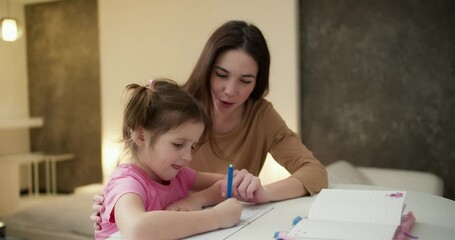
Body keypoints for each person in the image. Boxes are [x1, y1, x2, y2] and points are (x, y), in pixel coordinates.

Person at [91, 20, 328, 228]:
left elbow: (315, 173)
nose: (230, 91)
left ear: (257, 82)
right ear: (206, 69)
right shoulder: (176, 109)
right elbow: (138, 170)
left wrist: (261, 193)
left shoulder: (261, 115)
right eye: (222, 75)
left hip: (226, 226)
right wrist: (117, 201)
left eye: (245, 81)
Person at [95, 79, 243, 239]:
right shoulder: (127, 183)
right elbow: (136, 228)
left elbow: (228, 183)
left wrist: (198, 199)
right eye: (178, 144)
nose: (188, 157)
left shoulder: (179, 176)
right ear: (140, 135)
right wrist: (216, 217)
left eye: (192, 146)